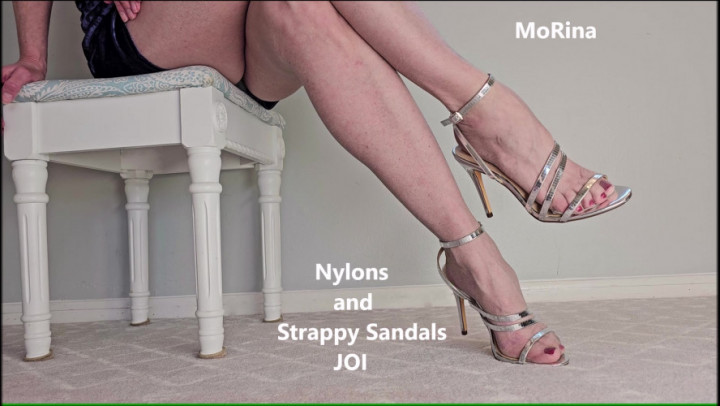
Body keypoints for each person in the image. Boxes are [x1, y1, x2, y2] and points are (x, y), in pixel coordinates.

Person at [2, 1, 631, 366]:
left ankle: (471, 252)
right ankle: (489, 115)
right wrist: (33, 57)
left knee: (301, 8)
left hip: (251, 25)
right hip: (145, 29)